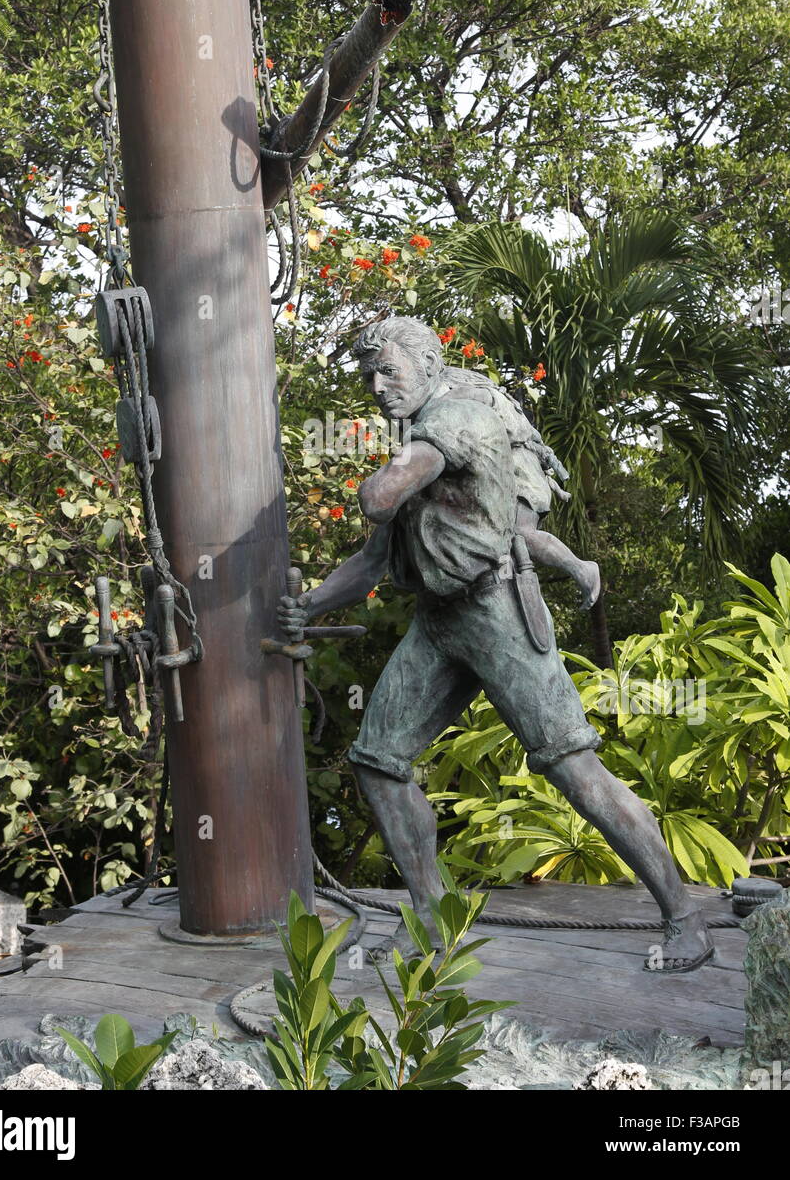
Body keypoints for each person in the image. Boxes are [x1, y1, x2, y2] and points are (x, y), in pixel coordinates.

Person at [278, 316, 714, 971]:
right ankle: (429, 919)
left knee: (576, 774)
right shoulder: (416, 433)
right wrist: (305, 607)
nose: (375, 386)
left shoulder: (456, 422)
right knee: (379, 760)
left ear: (427, 366)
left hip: (499, 613)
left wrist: (380, 480)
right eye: (368, 375)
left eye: (388, 370)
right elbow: (371, 561)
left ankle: (685, 921)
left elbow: (379, 498)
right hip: (439, 622)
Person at [441, 365, 600, 610]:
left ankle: (582, 568)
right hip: (498, 478)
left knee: (522, 531)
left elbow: (474, 401)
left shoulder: (489, 398)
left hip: (522, 474)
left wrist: (435, 405)